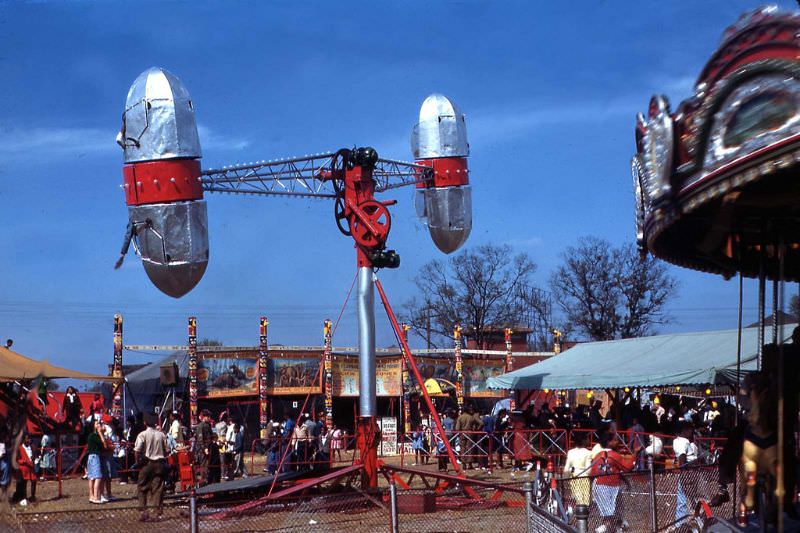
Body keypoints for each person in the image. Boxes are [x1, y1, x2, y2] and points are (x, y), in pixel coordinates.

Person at [590, 432, 633, 533]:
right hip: (612, 486)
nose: (617, 442)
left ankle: (612, 526)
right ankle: (604, 529)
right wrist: (634, 456)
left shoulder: (597, 455)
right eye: (615, 440)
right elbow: (627, 468)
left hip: (598, 486)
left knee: (607, 512)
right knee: (612, 512)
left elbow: (592, 472)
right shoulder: (615, 455)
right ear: (608, 442)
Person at [134, 413, 169, 522]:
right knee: (158, 488)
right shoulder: (161, 435)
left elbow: (137, 450)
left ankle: (143, 511)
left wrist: (137, 462)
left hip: (147, 464)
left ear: (145, 423)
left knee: (142, 487)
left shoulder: (142, 435)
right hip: (159, 463)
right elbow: (167, 450)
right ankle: (157, 512)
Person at [672, 423, 698, 526]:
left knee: (689, 498)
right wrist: (685, 473)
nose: (692, 433)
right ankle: (680, 524)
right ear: (685, 431)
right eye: (690, 431)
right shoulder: (680, 441)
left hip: (691, 472)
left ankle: (687, 521)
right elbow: (682, 459)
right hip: (687, 472)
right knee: (683, 499)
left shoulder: (688, 442)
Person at [563, 431, 592, 511]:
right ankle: (584, 512)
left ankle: (578, 511)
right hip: (584, 476)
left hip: (574, 475)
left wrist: (566, 477)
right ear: (584, 440)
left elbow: (566, 468)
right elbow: (588, 468)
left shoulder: (570, 452)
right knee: (585, 496)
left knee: (577, 494)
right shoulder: (588, 453)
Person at [12, 435, 37, 506]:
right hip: (23, 468)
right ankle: (23, 497)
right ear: (23, 440)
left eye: (29, 439)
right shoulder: (19, 448)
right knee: (23, 483)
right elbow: (17, 459)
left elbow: (34, 456)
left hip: (31, 467)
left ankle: (32, 496)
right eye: (27, 439)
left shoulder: (32, 447)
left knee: (34, 481)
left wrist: (34, 459)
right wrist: (23, 461)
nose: (29, 440)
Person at [86, 420, 106, 504]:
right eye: (97, 424)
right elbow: (103, 443)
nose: (99, 425)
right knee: (98, 477)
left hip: (91, 457)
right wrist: (101, 433)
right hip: (95, 457)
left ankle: (91, 496)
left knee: (91, 477)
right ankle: (96, 497)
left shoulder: (91, 436)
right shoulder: (94, 436)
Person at [193, 410, 213, 486]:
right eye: (208, 416)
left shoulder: (208, 425)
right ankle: (203, 481)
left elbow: (210, 436)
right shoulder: (200, 426)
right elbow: (200, 439)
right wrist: (204, 448)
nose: (209, 418)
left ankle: (207, 479)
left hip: (209, 446)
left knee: (208, 465)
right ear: (204, 417)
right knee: (204, 465)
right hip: (203, 449)